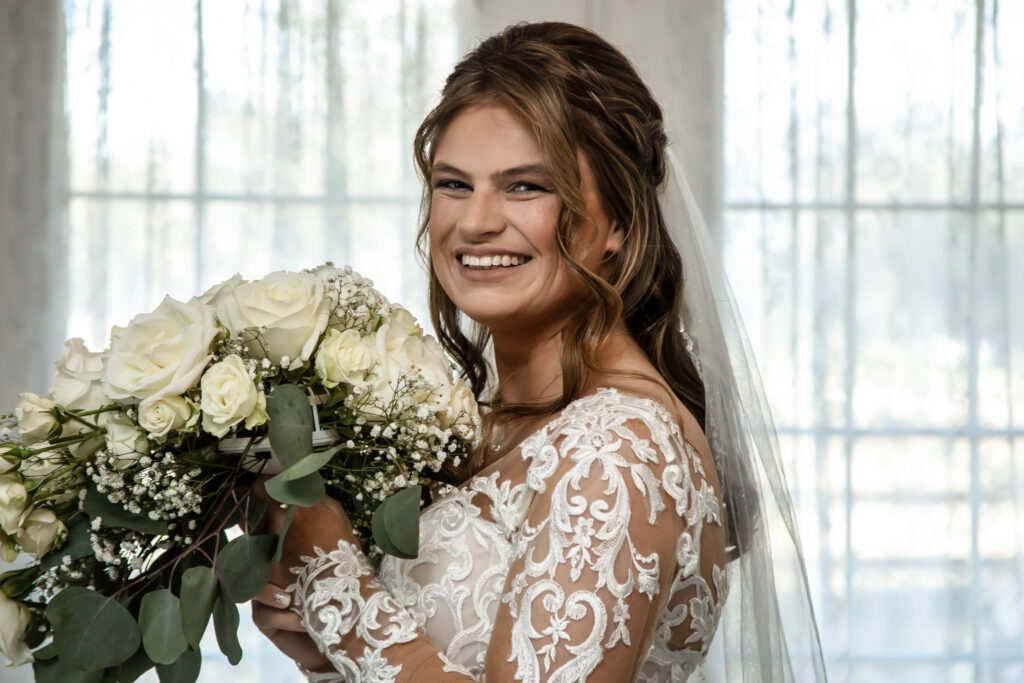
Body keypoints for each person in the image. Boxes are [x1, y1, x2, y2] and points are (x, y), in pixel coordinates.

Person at [251, 21, 827, 682]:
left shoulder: (617, 447)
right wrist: (324, 652)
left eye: (525, 186)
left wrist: (335, 580)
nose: (475, 222)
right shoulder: (490, 423)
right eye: (454, 184)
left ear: (618, 221)